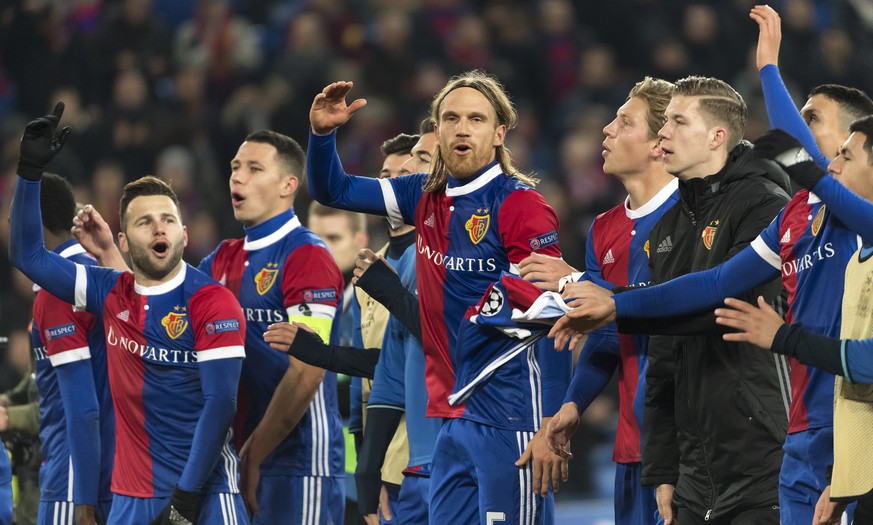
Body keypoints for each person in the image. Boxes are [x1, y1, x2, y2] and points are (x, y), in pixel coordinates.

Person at [552, 9, 873, 523]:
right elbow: (718, 281)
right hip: (797, 433)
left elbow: (804, 161)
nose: (799, 129)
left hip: (849, 426)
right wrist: (617, 304)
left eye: (814, 120)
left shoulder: (854, 218)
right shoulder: (794, 218)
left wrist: (769, 70)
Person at [306, 72, 568, 523]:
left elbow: (555, 310)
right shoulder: (421, 195)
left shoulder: (519, 204)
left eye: (476, 118)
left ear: (499, 133)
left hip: (507, 414)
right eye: (451, 118)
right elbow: (335, 190)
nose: (462, 128)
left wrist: (554, 422)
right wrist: (323, 135)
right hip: (449, 416)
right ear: (438, 129)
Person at [553, 76, 792, 524]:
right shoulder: (668, 229)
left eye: (678, 122)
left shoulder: (764, 204)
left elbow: (718, 301)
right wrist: (663, 469)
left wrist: (614, 302)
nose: (665, 133)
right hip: (689, 461)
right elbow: (664, 355)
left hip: (761, 448)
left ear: (716, 136)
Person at [9, 103, 249, 524]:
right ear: (123, 238)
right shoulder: (109, 293)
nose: (159, 228)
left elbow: (220, 403)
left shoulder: (213, 301)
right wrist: (29, 172)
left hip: (205, 497)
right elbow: (27, 255)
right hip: (129, 502)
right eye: (145, 222)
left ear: (184, 232)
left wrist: (184, 502)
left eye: (168, 219)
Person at [525, 77, 679, 525]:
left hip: (686, 440)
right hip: (631, 445)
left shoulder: (692, 217)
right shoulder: (603, 228)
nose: (606, 131)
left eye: (624, 122)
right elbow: (606, 333)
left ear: (658, 143)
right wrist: (572, 405)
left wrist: (573, 279)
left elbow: (679, 304)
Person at [713, 116, 873, 524]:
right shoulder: (858, 262)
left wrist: (784, 337)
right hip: (831, 446)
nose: (831, 165)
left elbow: (869, 363)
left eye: (844, 155)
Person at [29, 174, 114, 524]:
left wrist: (82, 500)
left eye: (14, 214)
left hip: (71, 472)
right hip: (95, 464)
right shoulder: (94, 271)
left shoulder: (61, 288)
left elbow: (82, 410)